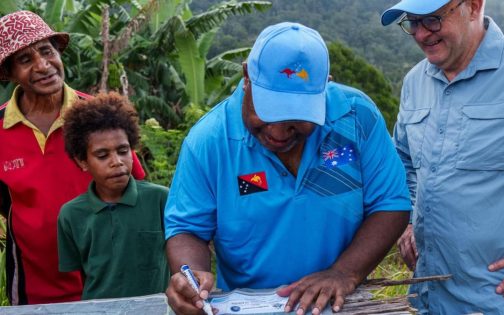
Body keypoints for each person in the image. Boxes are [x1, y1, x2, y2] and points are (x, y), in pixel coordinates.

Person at [164, 22, 411, 315]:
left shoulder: (356, 118)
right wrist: (192, 277)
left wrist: (344, 273)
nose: (279, 133)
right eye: (267, 113)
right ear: (246, 77)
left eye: (296, 117)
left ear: (325, 87)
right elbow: (188, 229)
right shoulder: (209, 142)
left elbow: (390, 203)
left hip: (342, 305)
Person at [381, 0, 504, 313]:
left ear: (474, 6)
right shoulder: (414, 82)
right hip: (426, 296)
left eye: (432, 20)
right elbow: (404, 161)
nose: (422, 34)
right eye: (412, 23)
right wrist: (409, 220)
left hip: (502, 300)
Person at [0, 11, 145, 304]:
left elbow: (136, 192)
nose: (43, 66)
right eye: (26, 60)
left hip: (110, 283)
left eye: (46, 51)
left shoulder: (99, 116)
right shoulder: (1, 129)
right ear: (9, 73)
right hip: (34, 288)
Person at [57, 92, 169, 300]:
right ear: (82, 161)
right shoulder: (71, 215)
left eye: (123, 151)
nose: (116, 161)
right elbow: (79, 275)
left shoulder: (160, 199)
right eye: (102, 155)